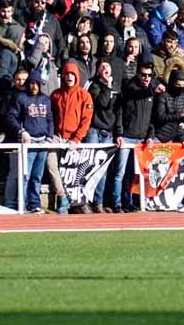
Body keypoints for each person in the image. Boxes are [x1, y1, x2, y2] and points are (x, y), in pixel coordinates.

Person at [113, 62, 160, 212]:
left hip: (141, 140)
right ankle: (117, 203)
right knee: (119, 173)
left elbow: (153, 119)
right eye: (143, 75)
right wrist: (119, 133)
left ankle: (129, 202)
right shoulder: (129, 89)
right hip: (127, 137)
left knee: (134, 175)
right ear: (138, 74)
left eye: (149, 75)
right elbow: (119, 112)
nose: (146, 78)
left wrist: (150, 136)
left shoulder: (151, 93)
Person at [48, 62, 94, 214]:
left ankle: (79, 202)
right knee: (51, 163)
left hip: (75, 140)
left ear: (77, 76)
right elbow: (49, 117)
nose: (69, 77)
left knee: (75, 172)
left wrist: (76, 139)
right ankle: (63, 197)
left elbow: (86, 120)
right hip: (57, 137)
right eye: (67, 74)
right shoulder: (55, 95)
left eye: (72, 74)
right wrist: (52, 134)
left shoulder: (84, 96)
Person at [6, 71, 54, 213]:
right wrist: (22, 132)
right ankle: (23, 204)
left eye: (36, 83)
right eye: (31, 83)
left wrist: (49, 137)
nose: (34, 86)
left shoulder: (46, 99)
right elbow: (11, 117)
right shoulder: (21, 98)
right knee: (24, 176)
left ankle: (35, 204)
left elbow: (50, 119)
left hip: (43, 142)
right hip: (28, 142)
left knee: (37, 177)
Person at [86, 60, 117, 212]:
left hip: (108, 132)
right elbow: (102, 103)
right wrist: (107, 86)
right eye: (102, 67)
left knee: (103, 171)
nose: (105, 69)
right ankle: (85, 202)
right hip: (94, 130)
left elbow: (116, 110)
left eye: (108, 67)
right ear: (98, 71)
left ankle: (98, 202)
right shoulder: (94, 86)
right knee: (90, 167)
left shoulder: (115, 86)